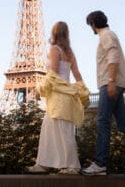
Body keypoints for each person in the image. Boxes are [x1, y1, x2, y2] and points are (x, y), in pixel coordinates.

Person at [81, 10, 125, 175]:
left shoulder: (106, 35)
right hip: (116, 83)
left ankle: (100, 164)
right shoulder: (109, 34)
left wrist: (111, 81)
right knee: (123, 123)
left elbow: (113, 57)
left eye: (90, 24)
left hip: (110, 83)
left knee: (103, 122)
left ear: (93, 24)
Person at [26, 21, 90, 175]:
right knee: (63, 131)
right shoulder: (70, 52)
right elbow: (77, 75)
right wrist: (82, 91)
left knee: (52, 130)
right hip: (67, 95)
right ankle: (54, 164)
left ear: (54, 33)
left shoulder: (55, 49)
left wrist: (40, 88)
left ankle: (64, 165)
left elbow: (53, 73)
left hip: (58, 96)